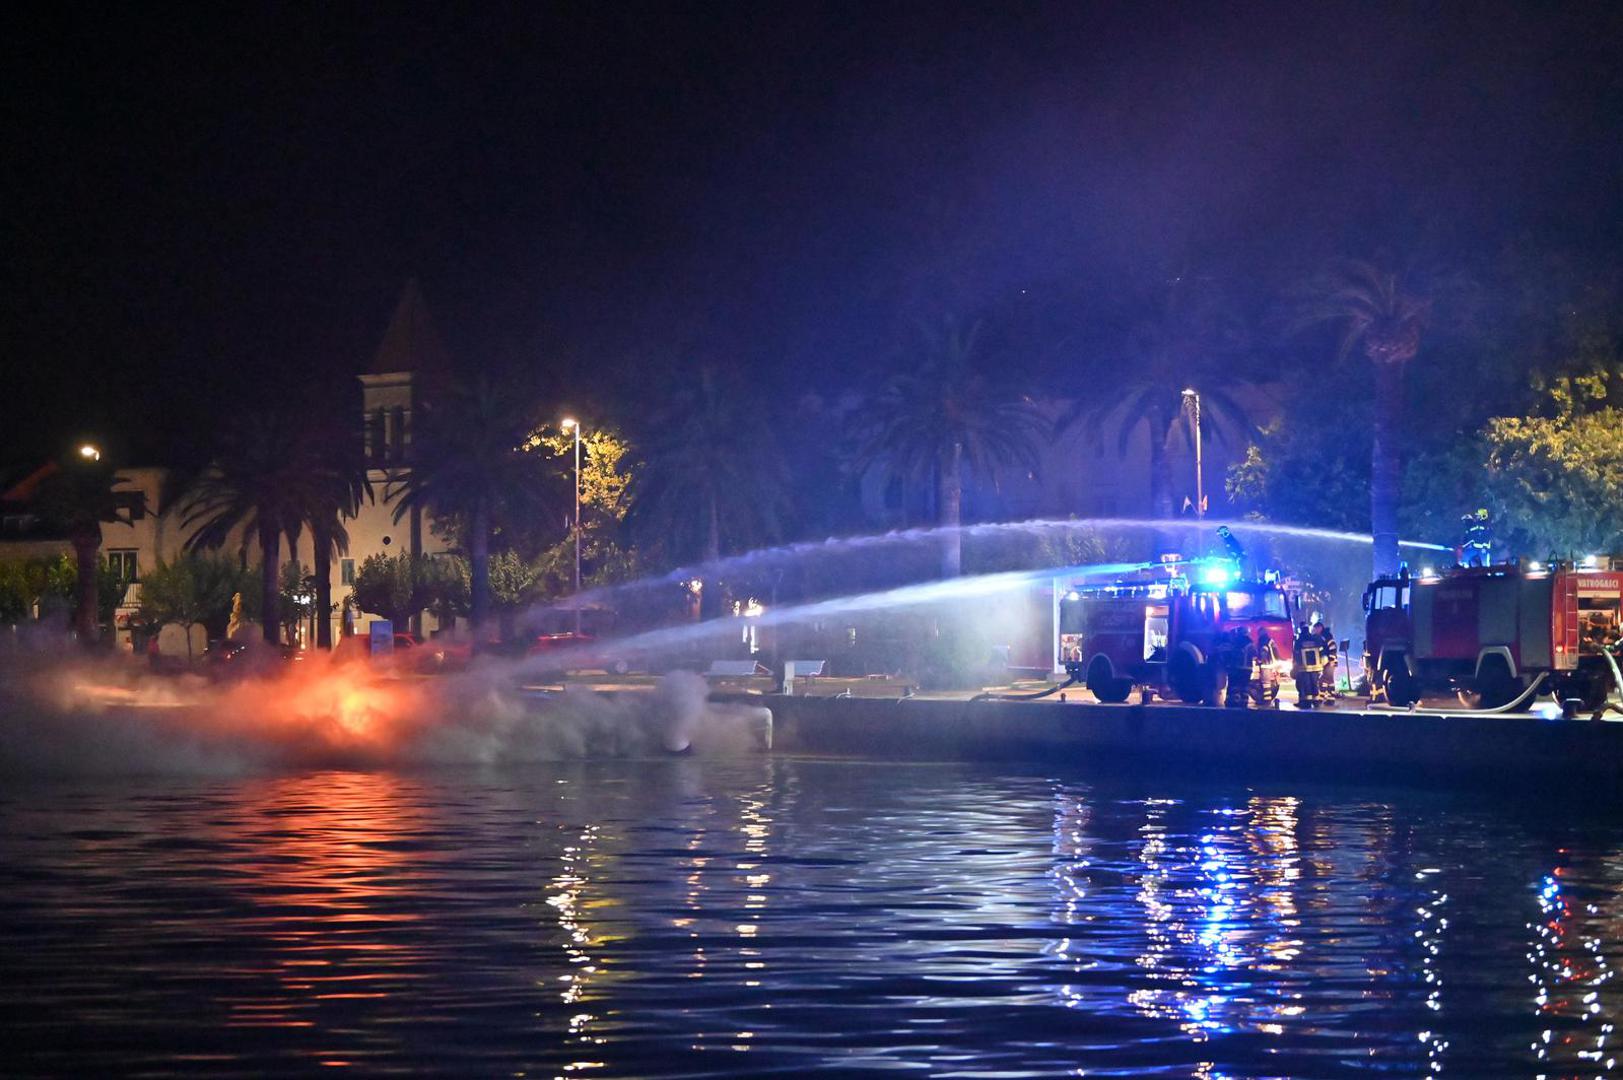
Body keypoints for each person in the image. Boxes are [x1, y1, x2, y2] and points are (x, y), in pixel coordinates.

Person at [1292, 622, 1323, 709]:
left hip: (1304, 668)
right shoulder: (1314, 639)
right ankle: (1316, 702)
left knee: (1306, 686)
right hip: (1315, 667)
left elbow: (1296, 654)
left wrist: (1295, 666)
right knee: (1314, 684)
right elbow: (1321, 651)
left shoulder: (1299, 641)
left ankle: (1306, 703)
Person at [1225, 629, 1258, 709]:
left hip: (1235, 668)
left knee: (1234, 686)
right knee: (1244, 687)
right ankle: (1243, 703)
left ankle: (1232, 703)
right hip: (1247, 669)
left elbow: (1229, 654)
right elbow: (1255, 654)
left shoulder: (1234, 642)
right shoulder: (1250, 644)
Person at [1311, 620, 1338, 702]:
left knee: (1324, 679)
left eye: (1315, 629)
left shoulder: (1326, 636)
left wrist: (1331, 659)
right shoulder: (1323, 636)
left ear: (1320, 628)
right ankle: (1330, 697)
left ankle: (1322, 696)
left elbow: (1333, 647)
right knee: (1329, 680)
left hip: (1330, 662)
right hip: (1328, 662)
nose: (1315, 631)